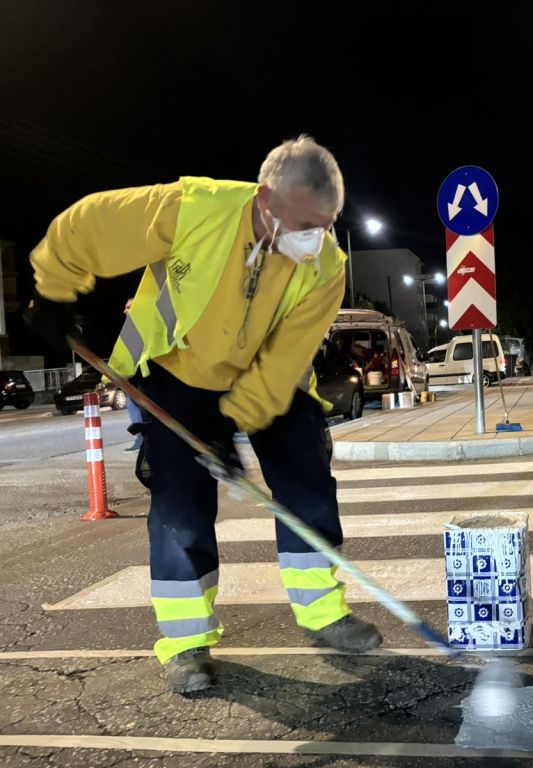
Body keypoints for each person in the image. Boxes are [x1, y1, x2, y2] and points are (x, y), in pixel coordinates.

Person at [26, 136, 382, 694]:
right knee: (181, 504)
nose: (315, 243)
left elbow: (286, 355)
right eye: (304, 226)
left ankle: (322, 614)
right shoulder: (198, 208)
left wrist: (233, 423)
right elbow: (88, 225)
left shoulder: (326, 265)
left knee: (306, 477)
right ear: (265, 199)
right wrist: (53, 290)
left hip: (269, 375)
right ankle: (187, 641)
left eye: (326, 227)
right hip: (176, 371)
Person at [122, 298, 145, 452]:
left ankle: (144, 440)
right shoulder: (130, 328)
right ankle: (141, 439)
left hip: (144, 376)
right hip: (135, 377)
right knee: (132, 406)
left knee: (142, 408)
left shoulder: (141, 326)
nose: (125, 311)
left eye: (128, 307)